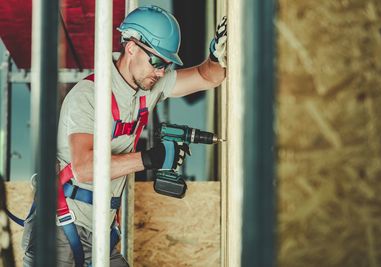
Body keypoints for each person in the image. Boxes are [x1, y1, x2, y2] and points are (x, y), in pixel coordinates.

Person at [22, 5, 227, 267]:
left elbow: (206, 76)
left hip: (100, 235)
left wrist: (216, 55)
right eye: (157, 61)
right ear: (131, 47)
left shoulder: (149, 87)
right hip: (58, 230)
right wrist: (151, 158)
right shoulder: (88, 97)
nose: (162, 71)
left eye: (166, 64)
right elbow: (84, 168)